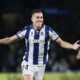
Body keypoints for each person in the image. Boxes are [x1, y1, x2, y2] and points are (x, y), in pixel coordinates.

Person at [0, 9, 80, 80]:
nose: (40, 19)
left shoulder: (48, 31)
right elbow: (10, 40)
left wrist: (72, 46)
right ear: (32, 19)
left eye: (41, 17)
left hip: (41, 65)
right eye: (37, 17)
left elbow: (61, 42)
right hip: (28, 63)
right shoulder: (26, 30)